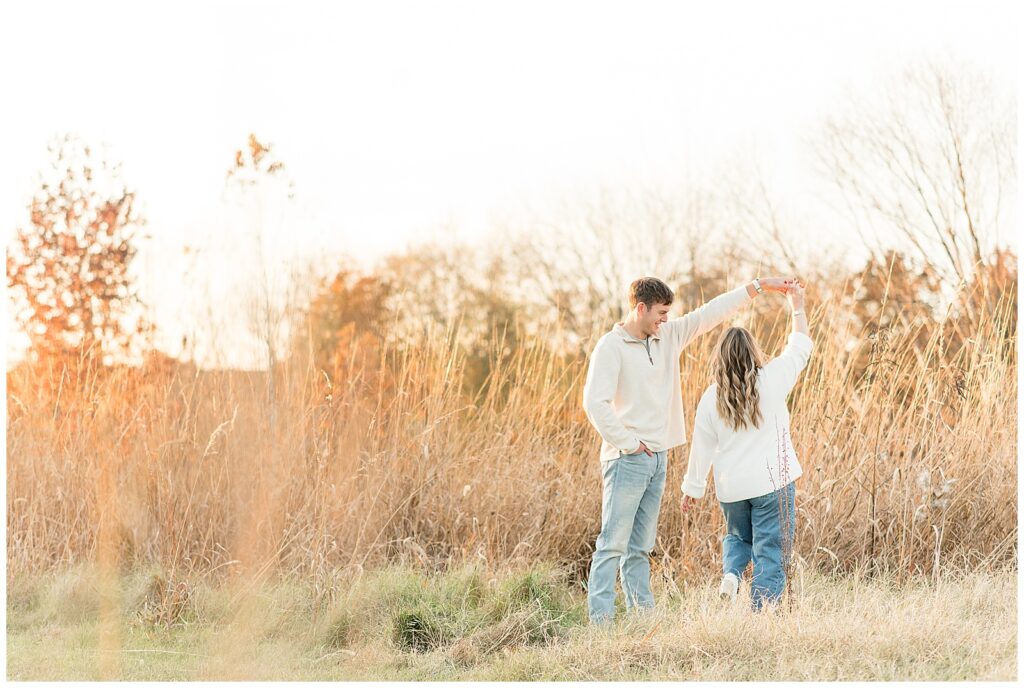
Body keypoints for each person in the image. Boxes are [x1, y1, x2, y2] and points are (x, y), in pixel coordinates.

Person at [582, 275, 796, 624]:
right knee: (612, 544)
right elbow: (595, 404)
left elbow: (710, 312)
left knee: (640, 546)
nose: (666, 319)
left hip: (657, 457)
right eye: (661, 313)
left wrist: (757, 286)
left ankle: (642, 617)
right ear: (640, 308)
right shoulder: (611, 347)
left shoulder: (666, 337)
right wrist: (630, 443)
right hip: (627, 459)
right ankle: (600, 622)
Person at [680, 282, 811, 611]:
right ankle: (763, 614)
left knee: (738, 537)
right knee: (770, 550)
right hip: (772, 484)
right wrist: (797, 305)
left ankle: (732, 573)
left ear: (719, 358)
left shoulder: (711, 398)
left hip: (732, 489)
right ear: (753, 352)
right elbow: (800, 347)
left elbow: (702, 447)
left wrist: (692, 489)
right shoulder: (772, 379)